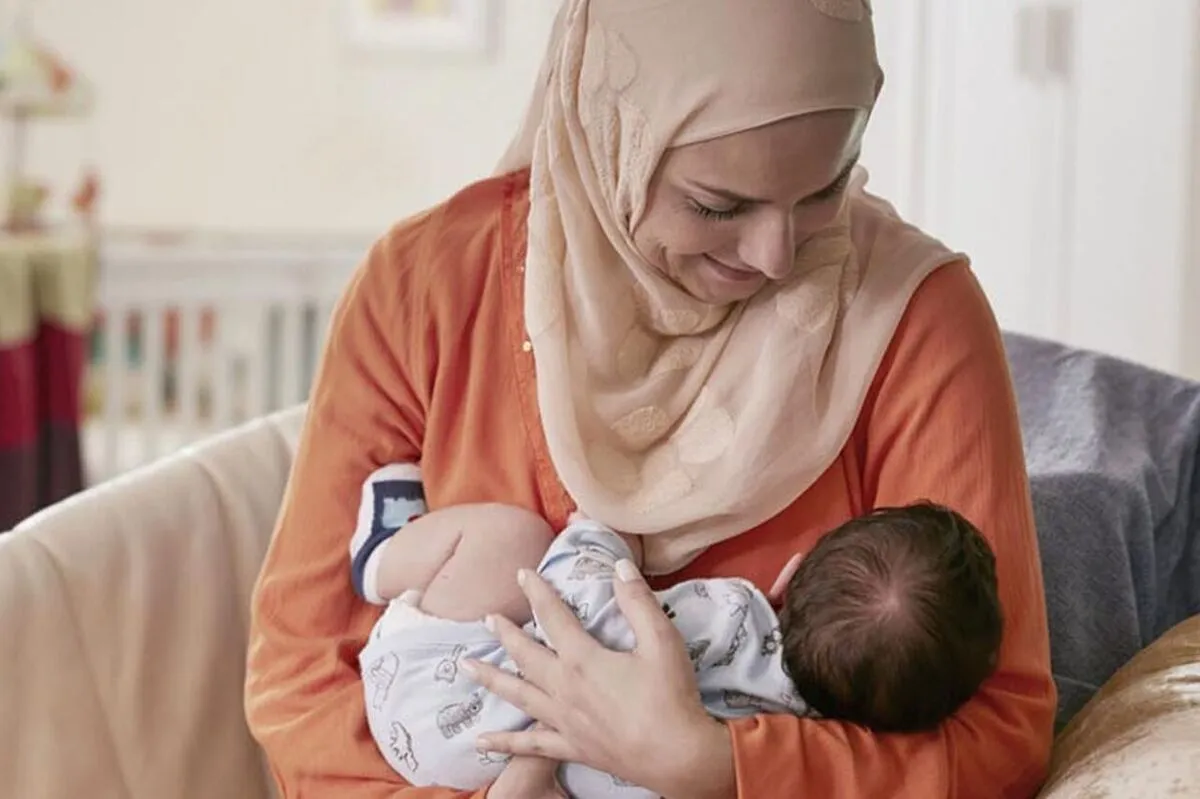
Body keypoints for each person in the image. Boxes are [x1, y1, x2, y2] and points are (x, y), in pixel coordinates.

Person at [245, 1, 1057, 797]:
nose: (776, 258)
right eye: (717, 205)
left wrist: (719, 767)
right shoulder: (424, 285)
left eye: (824, 188)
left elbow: (1000, 733)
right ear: (612, 133)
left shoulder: (917, 318)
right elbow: (305, 681)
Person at [352, 465, 1004, 798]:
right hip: (485, 769)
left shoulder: (729, 617)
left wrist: (602, 534)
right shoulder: (780, 749)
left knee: (513, 542)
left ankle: (382, 552)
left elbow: (582, 604)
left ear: (792, 571)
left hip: (432, 696)